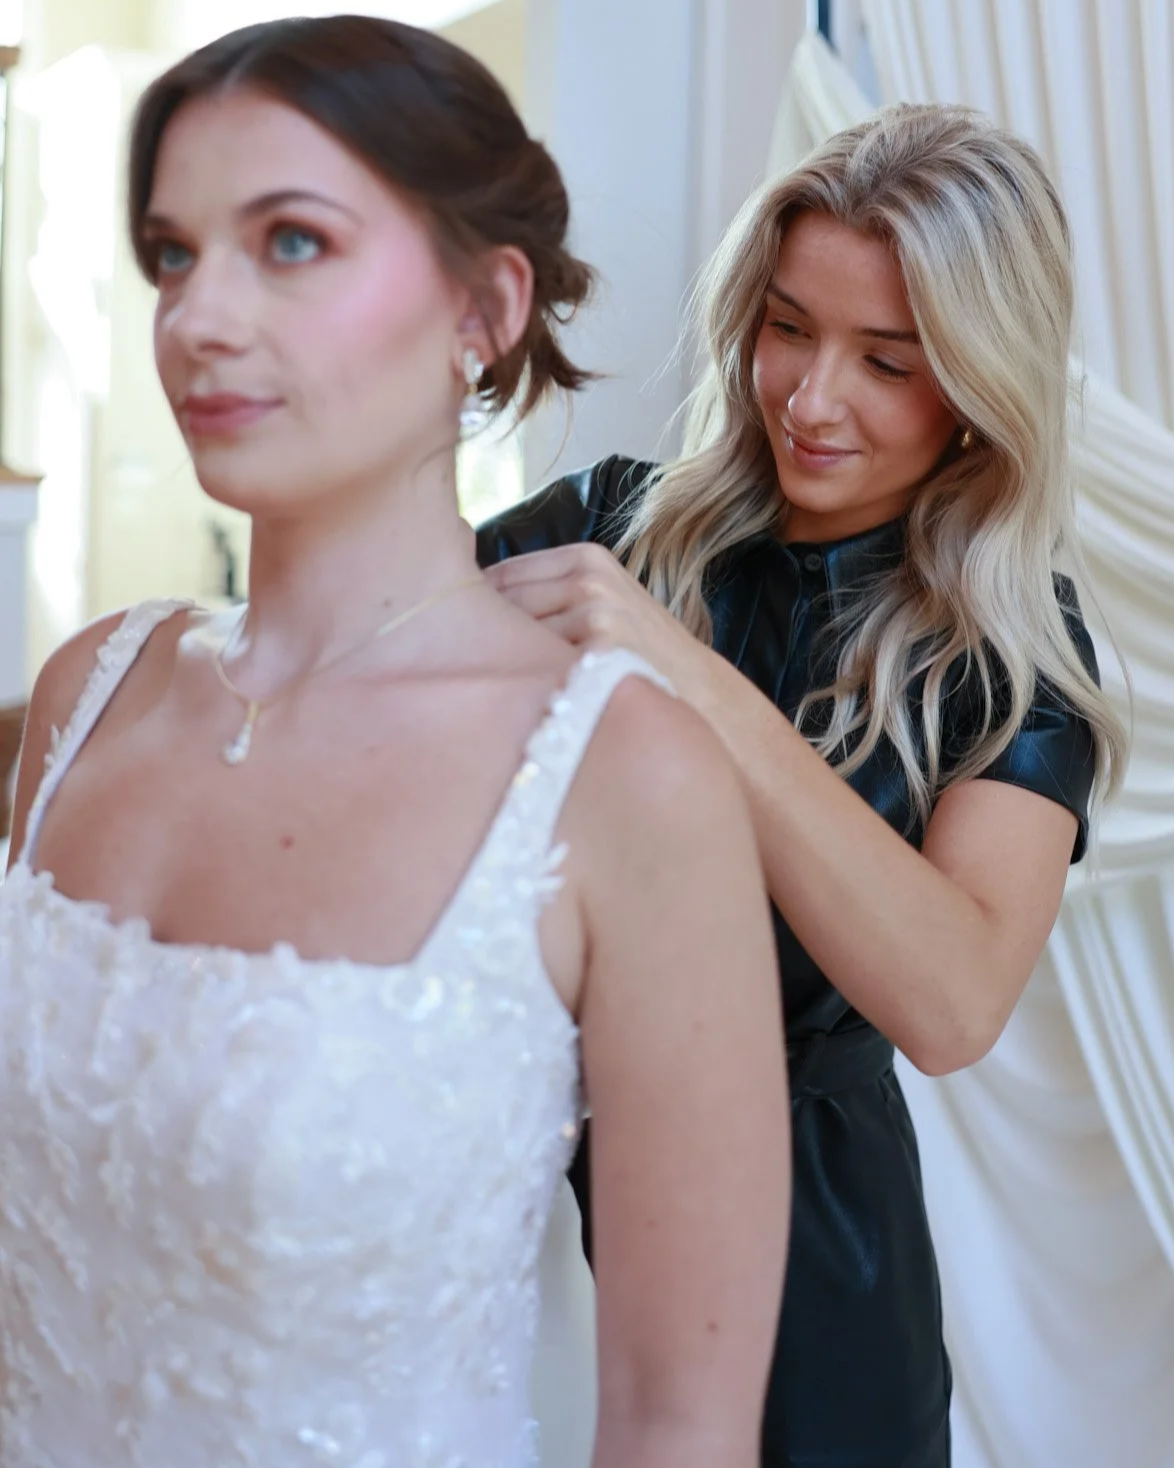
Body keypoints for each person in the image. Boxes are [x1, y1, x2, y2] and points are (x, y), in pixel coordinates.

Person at [0, 17, 791, 1468]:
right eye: (174, 254)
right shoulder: (87, 696)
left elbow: (681, 1425)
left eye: (288, 242)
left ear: (483, 309)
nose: (198, 318)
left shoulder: (620, 783)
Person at [478, 103, 1129, 1468]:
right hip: (498, 1186)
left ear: (975, 384)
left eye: (885, 361)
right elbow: (347, 676)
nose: (809, 397)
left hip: (810, 1260)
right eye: (786, 327)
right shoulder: (606, 526)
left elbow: (950, 1001)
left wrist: (691, 678)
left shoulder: (1012, 661)